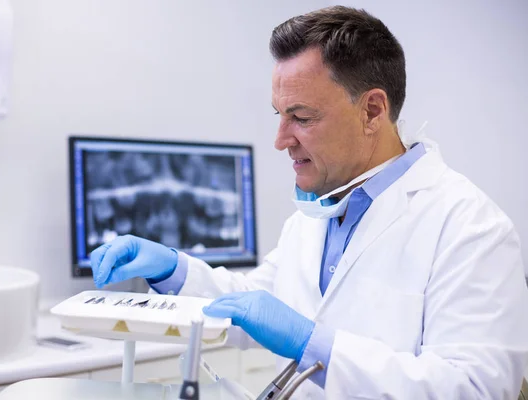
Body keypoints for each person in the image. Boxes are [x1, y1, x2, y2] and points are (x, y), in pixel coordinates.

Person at [89, 6, 528, 399]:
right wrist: (173, 270)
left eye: (301, 118)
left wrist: (313, 345)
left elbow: (478, 389)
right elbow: (258, 304)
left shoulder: (470, 227)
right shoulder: (319, 211)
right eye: (279, 115)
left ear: (373, 110)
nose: (281, 141)